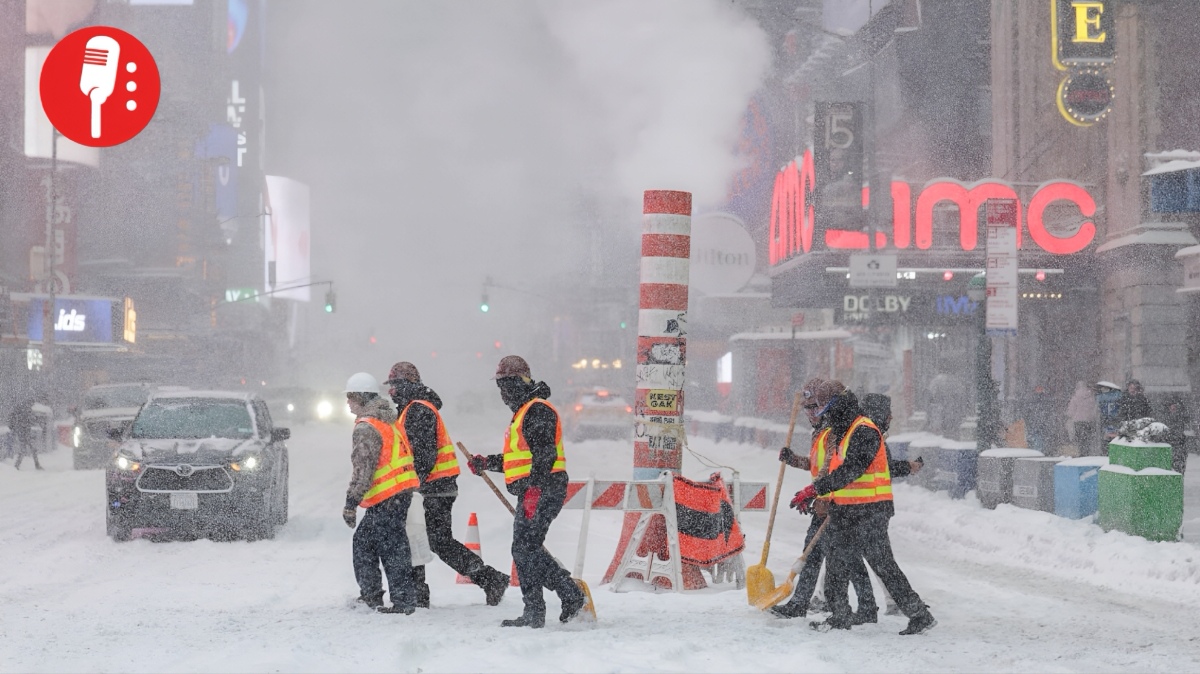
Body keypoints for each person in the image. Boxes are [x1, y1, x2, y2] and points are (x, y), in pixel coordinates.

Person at [789, 381, 936, 635]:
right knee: (837, 563)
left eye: (829, 412)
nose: (827, 418)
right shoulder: (844, 431)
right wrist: (821, 496)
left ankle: (918, 614)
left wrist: (815, 489)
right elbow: (836, 472)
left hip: (871, 511)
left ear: (840, 406)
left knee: (882, 566)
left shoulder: (864, 430)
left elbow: (852, 470)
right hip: (847, 509)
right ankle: (840, 616)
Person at [467, 355, 585, 628]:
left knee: (524, 549)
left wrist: (533, 491)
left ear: (521, 382)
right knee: (526, 549)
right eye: (500, 387)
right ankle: (568, 594)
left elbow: (544, 456)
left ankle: (538, 609)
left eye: (506, 386)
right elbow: (519, 460)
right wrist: (487, 463)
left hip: (544, 488)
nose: (503, 393)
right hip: (536, 489)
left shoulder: (537, 410)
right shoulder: (524, 412)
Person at [384, 361, 509, 608]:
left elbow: (423, 456)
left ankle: (423, 593)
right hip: (435, 487)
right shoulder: (413, 408)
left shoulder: (418, 410)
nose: (391, 392)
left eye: (395, 386)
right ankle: (487, 579)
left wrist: (410, 486)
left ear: (408, 385)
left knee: (427, 538)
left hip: (432, 488)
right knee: (426, 538)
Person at [771, 379, 878, 623]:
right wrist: (794, 460)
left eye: (814, 406)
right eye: (806, 408)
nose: (810, 413)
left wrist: (819, 496)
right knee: (820, 556)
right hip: (824, 500)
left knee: (842, 559)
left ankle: (860, 607)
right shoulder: (821, 432)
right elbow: (817, 465)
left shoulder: (833, 432)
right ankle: (806, 603)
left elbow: (833, 471)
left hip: (833, 504)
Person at [343, 372, 418, 615]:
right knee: (379, 543)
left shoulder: (367, 427)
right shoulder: (387, 421)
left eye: (351, 397)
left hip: (388, 495)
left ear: (361, 398)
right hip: (399, 491)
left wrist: (351, 502)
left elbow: (363, 468)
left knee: (384, 546)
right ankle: (382, 596)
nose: (348, 403)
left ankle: (395, 599)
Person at [1160, 393, 1191, 475]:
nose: (1173, 407)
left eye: (1175, 405)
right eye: (1171, 405)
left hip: (1179, 445)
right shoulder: (1165, 417)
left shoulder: (1181, 416)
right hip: (1169, 444)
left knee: (1179, 467)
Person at [9, 398, 43, 471]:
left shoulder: (21, 409)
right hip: (25, 432)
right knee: (31, 449)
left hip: (22, 432)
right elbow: (30, 420)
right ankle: (35, 465)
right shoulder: (27, 410)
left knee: (25, 450)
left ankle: (17, 465)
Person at [1066, 381, 1098, 457]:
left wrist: (1070, 416)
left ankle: (1081, 453)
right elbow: (1094, 410)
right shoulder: (1092, 397)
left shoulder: (1075, 397)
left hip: (1078, 422)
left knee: (1080, 440)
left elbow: (1071, 411)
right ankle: (1087, 453)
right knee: (1088, 439)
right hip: (1089, 421)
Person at [1023, 385, 1055, 454]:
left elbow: (1028, 410)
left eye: (1040, 388)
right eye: (1038, 388)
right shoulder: (1043, 398)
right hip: (1037, 421)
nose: (1039, 389)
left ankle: (1037, 451)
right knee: (1037, 437)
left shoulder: (1035, 398)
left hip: (1038, 421)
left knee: (1038, 436)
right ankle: (1038, 451)